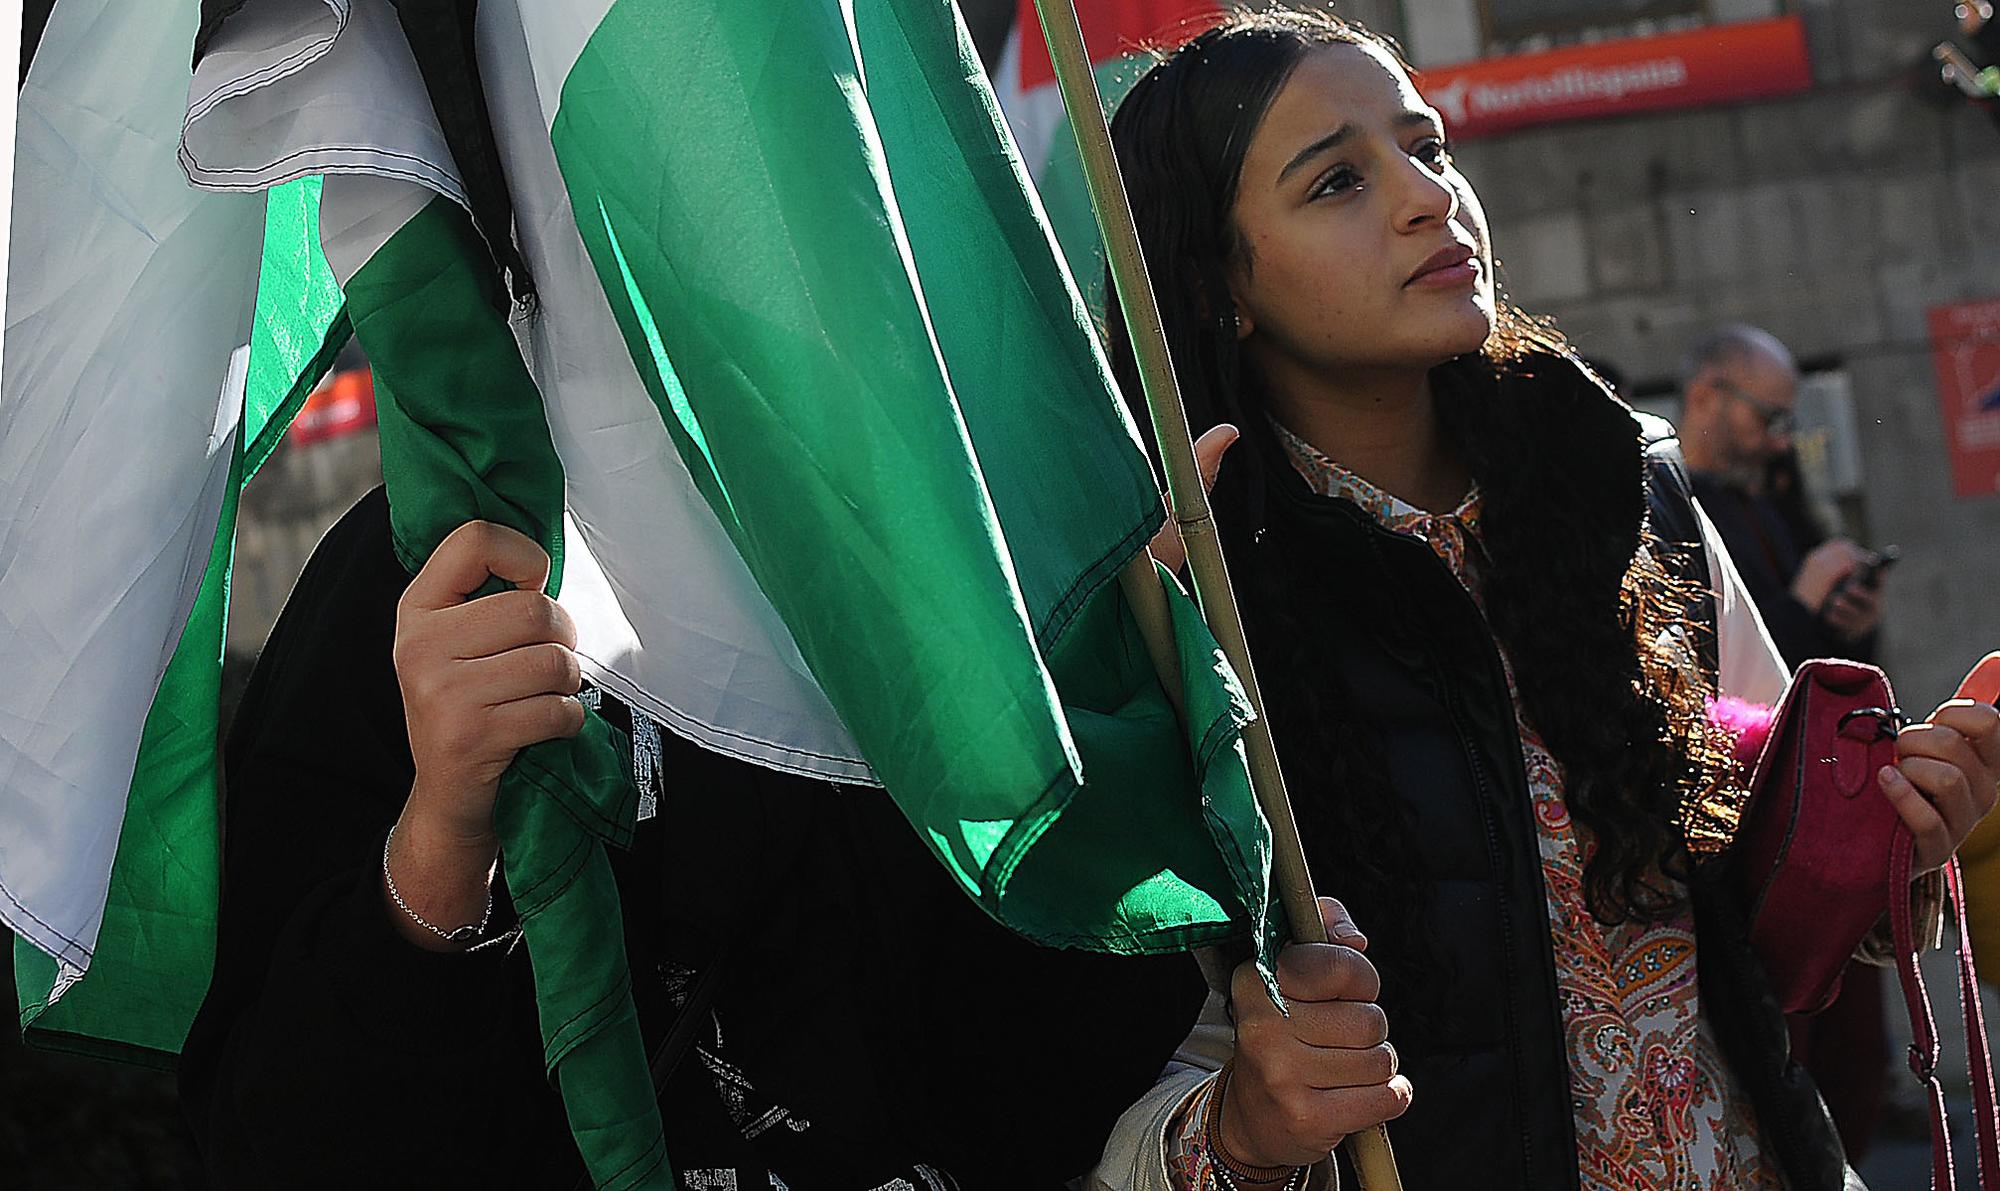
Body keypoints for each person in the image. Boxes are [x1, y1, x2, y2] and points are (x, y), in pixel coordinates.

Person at [1084, 11, 2000, 1190]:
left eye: (1426, 146)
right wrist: (1250, 1129)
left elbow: (1751, 897)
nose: (1425, 198)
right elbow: (1094, 1080)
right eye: (1335, 183)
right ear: (1218, 285)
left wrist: (1896, 832)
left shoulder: (1624, 486)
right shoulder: (1177, 592)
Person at [1677, 325, 1883, 669]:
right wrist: (1802, 603)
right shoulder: (1665, 505)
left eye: (1785, 422)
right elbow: (1706, 662)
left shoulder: (1766, 500)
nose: (1780, 442)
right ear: (1705, 396)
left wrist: (1850, 625)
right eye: (1768, 418)